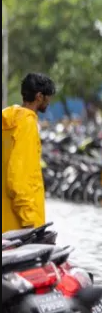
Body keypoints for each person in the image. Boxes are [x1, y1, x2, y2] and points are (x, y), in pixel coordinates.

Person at [2, 73, 56, 232]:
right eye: (48, 97)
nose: (49, 101)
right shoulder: (27, 124)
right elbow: (19, 178)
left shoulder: (9, 122)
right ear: (39, 97)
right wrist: (29, 220)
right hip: (19, 226)